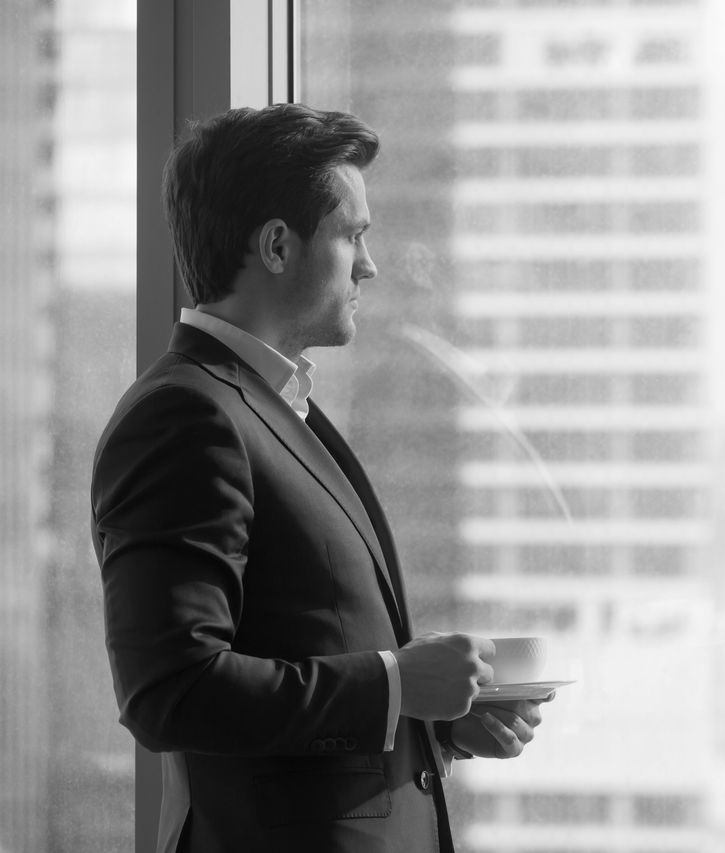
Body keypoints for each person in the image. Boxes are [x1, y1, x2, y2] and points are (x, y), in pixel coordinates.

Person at [90, 103, 549, 853]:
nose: (369, 263)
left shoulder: (275, 408)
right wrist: (396, 683)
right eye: (353, 234)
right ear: (277, 245)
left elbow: (298, 656)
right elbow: (171, 691)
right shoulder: (184, 416)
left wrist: (426, 717)